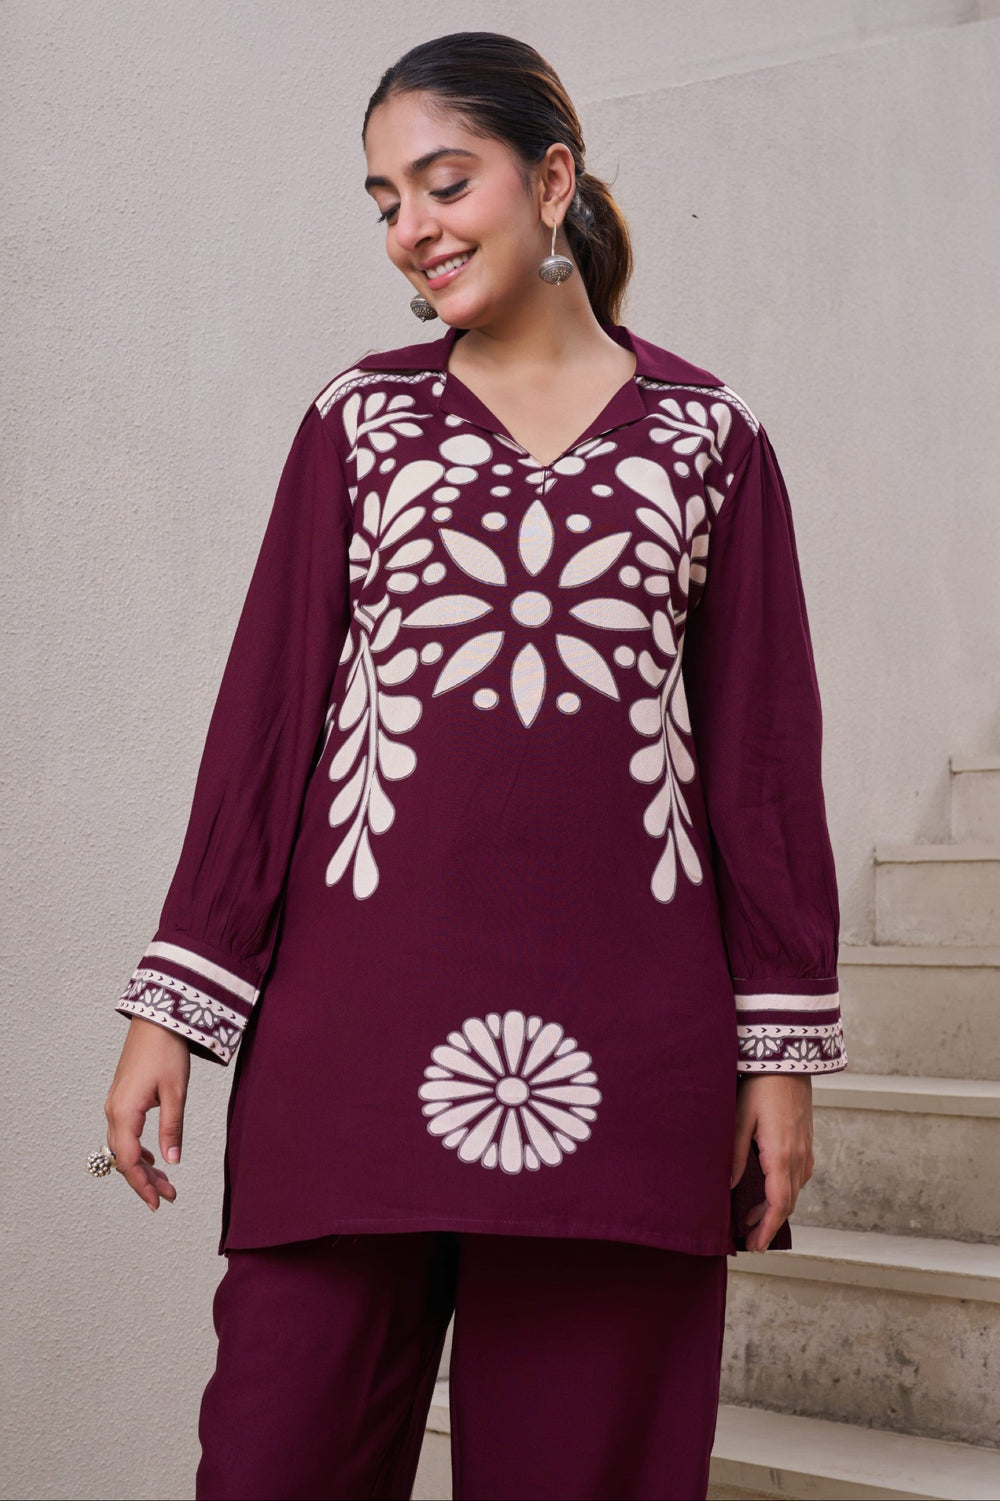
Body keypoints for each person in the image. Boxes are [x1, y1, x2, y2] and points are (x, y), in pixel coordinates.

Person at [95, 31, 845, 1501]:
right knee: (273, 1466)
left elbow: (761, 769)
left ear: (551, 180)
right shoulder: (360, 423)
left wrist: (782, 1057)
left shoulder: (711, 440)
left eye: (444, 184)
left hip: (628, 1068)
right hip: (350, 1053)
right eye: (386, 202)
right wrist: (173, 1006)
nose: (412, 229)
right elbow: (265, 728)